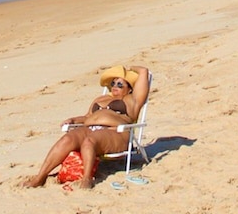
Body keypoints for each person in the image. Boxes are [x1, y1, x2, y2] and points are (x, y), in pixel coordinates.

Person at [22, 65, 150, 189]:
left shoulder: (132, 100)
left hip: (116, 131)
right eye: (113, 83)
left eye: (120, 84)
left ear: (130, 89)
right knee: (67, 139)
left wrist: (129, 69)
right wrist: (73, 120)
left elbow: (144, 71)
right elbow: (87, 117)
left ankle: (87, 179)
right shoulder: (100, 98)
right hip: (90, 128)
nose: (115, 87)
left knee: (89, 141)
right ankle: (40, 177)